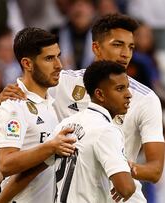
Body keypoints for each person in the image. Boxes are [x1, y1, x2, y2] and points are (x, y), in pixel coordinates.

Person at [0, 14, 165, 203]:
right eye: (117, 45)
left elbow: (155, 170)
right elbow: (18, 113)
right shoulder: (62, 83)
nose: (126, 54)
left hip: (120, 197)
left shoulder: (146, 99)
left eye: (131, 47)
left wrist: (123, 167)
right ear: (96, 48)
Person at [0, 27, 76, 203]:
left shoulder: (50, 103)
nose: (58, 65)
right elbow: (6, 164)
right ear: (27, 64)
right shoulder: (14, 105)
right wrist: (51, 147)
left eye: (58, 56)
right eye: (49, 58)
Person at [53, 60, 135, 202]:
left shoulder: (64, 125)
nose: (129, 94)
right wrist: (126, 178)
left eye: (127, 87)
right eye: (120, 88)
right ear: (100, 94)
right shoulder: (107, 131)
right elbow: (126, 188)